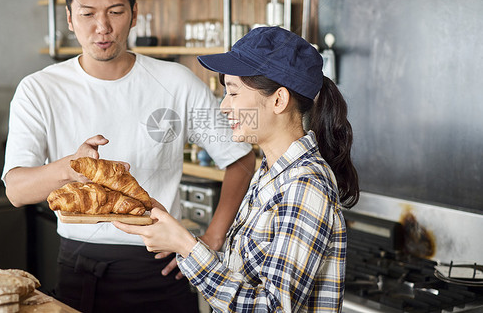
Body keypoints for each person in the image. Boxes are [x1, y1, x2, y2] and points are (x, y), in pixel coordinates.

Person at [2, 0, 255, 313]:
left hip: (162, 267)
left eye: (115, 12)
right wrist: (71, 168)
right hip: (79, 267)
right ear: (70, 18)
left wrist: (214, 236)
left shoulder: (177, 81)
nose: (102, 27)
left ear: (134, 14)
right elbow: (16, 190)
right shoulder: (38, 89)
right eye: (88, 13)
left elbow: (241, 159)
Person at [115, 26, 360, 312]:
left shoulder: (305, 185)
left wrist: (186, 247)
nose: (223, 106)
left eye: (233, 93)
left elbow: (272, 308)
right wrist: (178, 235)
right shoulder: (270, 173)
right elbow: (241, 276)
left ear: (279, 100)